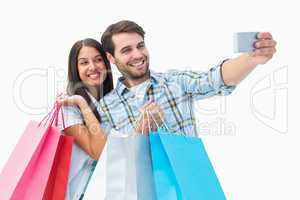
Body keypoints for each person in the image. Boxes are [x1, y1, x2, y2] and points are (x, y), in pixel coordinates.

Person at [96, 20, 277, 137]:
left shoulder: (174, 81)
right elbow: (111, 161)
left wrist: (251, 59)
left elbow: (215, 80)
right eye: (127, 50)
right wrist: (139, 132)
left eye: (140, 46)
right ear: (111, 58)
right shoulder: (105, 107)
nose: (137, 54)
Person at [56, 38, 113, 200]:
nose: (93, 67)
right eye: (84, 62)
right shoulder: (68, 105)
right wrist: (82, 103)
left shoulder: (113, 104)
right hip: (75, 192)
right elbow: (98, 152)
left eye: (98, 60)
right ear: (75, 68)